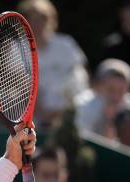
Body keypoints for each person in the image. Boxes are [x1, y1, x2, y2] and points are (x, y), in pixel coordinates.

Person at [18, 0, 89, 128]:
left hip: (69, 114)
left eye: (42, 19)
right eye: (32, 19)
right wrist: (42, 114)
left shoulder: (66, 44)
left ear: (51, 20)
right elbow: (20, 85)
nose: (37, 24)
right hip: (31, 118)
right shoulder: (16, 49)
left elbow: (80, 77)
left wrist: (65, 112)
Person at [75, 58, 130, 139]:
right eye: (110, 89)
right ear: (99, 86)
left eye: (120, 91)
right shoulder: (82, 105)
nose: (115, 96)